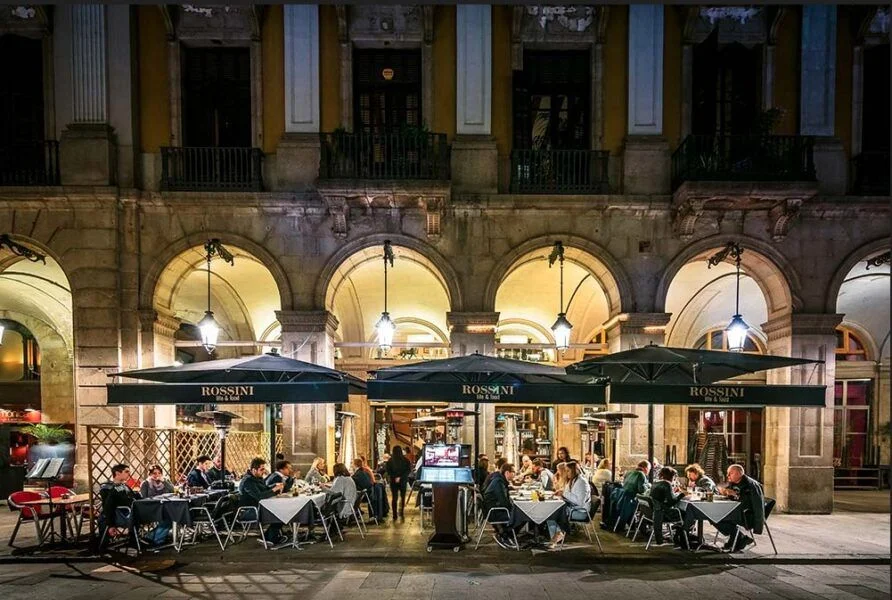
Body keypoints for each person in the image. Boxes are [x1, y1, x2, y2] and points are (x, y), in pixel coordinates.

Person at [717, 464, 765, 551]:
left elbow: (756, 505)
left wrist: (735, 495)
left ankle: (738, 538)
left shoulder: (751, 485)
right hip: (735, 511)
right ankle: (739, 537)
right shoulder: (733, 483)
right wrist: (725, 493)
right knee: (713, 515)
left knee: (717, 517)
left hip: (747, 515)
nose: (728, 476)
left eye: (730, 473)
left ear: (739, 473)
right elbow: (732, 497)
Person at [238, 457, 286, 545]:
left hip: (258, 507)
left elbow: (265, 488)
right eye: (261, 469)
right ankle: (270, 538)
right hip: (249, 511)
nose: (264, 471)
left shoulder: (257, 478)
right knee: (280, 512)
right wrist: (274, 489)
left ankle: (269, 536)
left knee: (282, 510)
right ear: (254, 470)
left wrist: (275, 485)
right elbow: (259, 496)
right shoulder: (248, 481)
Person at [547, 461, 590, 548]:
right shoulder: (573, 480)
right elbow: (568, 494)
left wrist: (564, 493)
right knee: (550, 512)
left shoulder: (582, 482)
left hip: (580, 512)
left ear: (574, 471)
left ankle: (557, 535)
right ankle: (557, 535)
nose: (566, 473)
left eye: (568, 471)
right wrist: (561, 493)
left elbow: (579, 502)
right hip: (572, 507)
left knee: (552, 513)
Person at [99, 464, 142, 546]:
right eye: (126, 472)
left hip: (131, 512)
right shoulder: (108, 488)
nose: (129, 474)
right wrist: (111, 524)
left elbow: (134, 497)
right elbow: (108, 506)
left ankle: (140, 540)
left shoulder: (124, 485)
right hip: (121, 515)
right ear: (117, 473)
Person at [482, 462, 518, 550]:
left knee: (518, 512)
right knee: (520, 515)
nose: (514, 474)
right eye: (513, 472)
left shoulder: (499, 479)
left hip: (494, 509)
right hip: (495, 512)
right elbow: (503, 502)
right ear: (507, 473)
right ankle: (505, 535)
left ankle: (505, 534)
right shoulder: (498, 482)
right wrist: (513, 508)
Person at [648, 466, 685, 546]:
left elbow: (663, 497)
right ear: (672, 476)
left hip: (656, 512)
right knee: (687, 514)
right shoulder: (667, 484)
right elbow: (671, 502)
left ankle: (678, 533)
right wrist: (682, 495)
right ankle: (680, 536)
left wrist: (672, 492)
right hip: (665, 514)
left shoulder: (655, 483)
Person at [385, 445, 412, 520]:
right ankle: (401, 512)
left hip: (393, 481)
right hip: (403, 481)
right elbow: (408, 470)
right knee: (402, 497)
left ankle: (394, 514)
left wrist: (395, 477)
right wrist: (401, 477)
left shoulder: (390, 461)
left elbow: (388, 471)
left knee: (394, 497)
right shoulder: (406, 460)